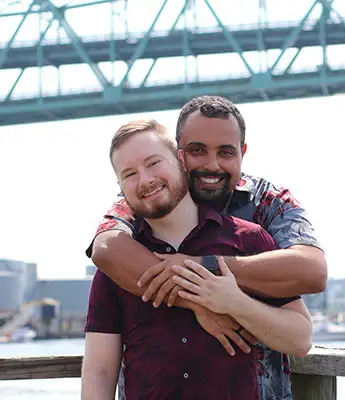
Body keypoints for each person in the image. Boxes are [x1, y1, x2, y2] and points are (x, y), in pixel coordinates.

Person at [87, 96, 327, 398]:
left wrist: (205, 271)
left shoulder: (266, 207)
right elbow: (106, 247)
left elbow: (313, 273)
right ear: (180, 154)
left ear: (242, 153)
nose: (211, 165)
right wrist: (199, 299)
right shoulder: (145, 198)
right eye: (198, 150)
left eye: (225, 152)